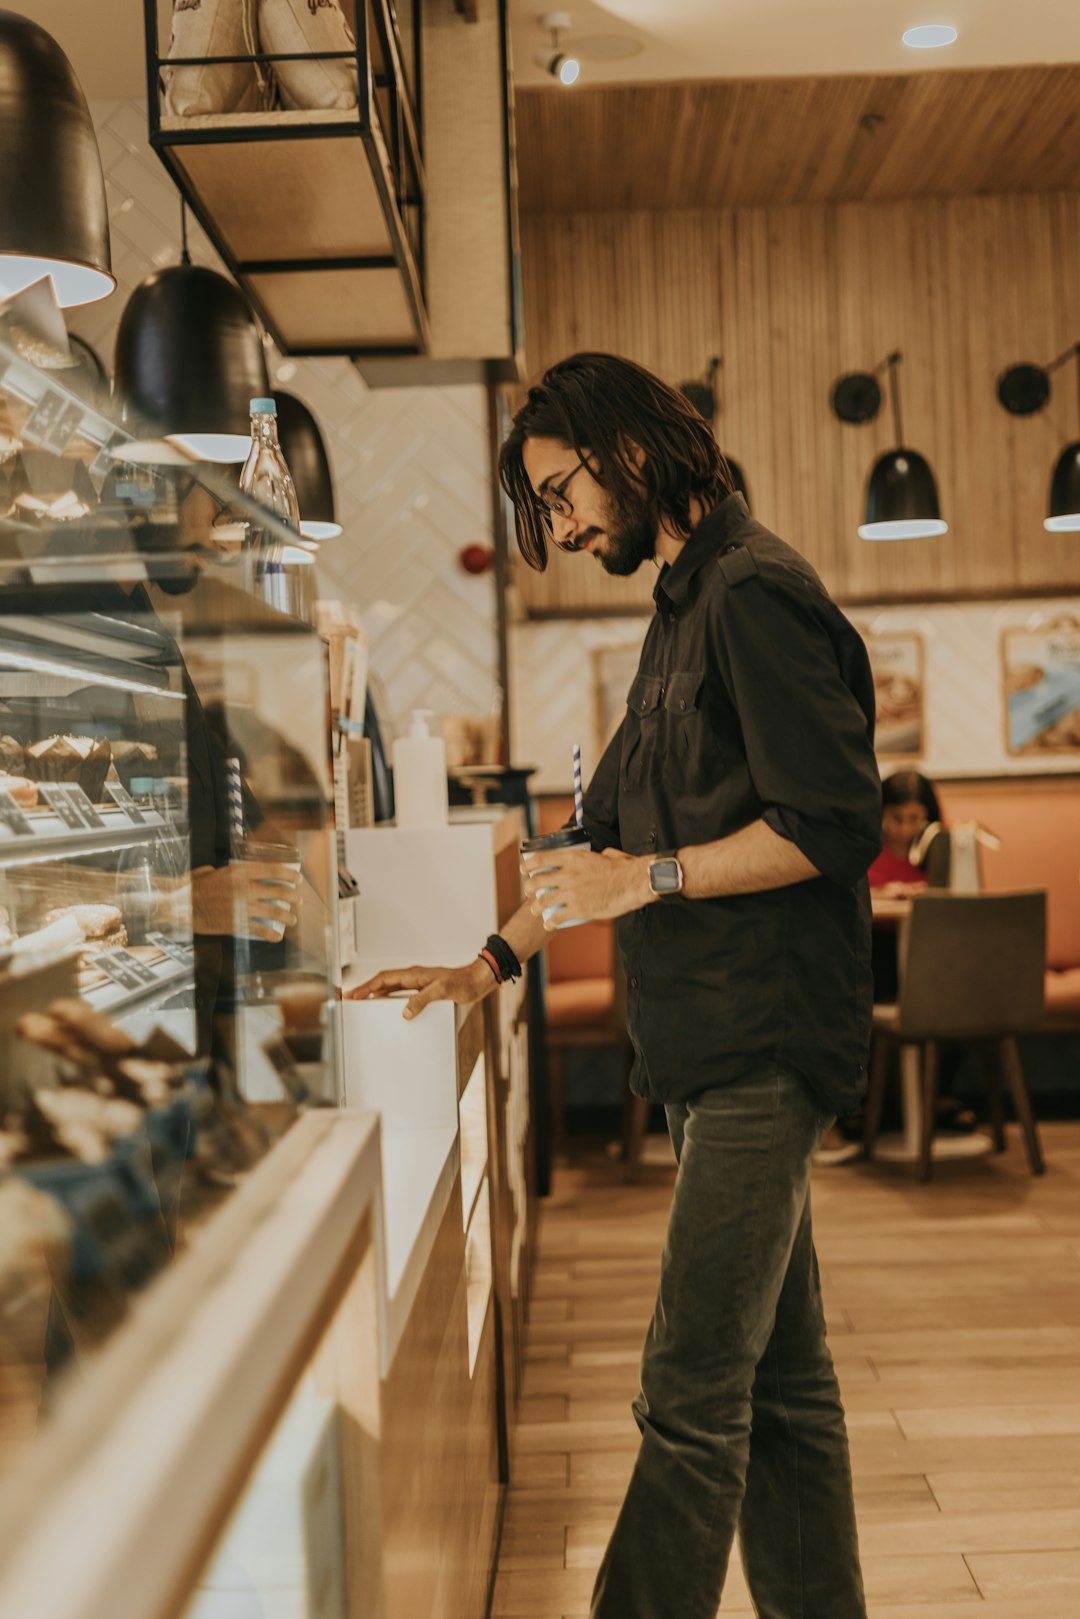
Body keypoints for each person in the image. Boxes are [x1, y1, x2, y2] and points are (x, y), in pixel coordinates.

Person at [349, 353, 881, 1619]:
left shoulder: (755, 595)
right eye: (540, 508)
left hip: (765, 1049)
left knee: (689, 1391)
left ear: (630, 450)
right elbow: (601, 848)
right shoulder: (677, 613)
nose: (558, 524)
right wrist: (485, 965)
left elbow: (834, 825)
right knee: (779, 1393)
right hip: (705, 1056)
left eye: (558, 491)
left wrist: (657, 880)